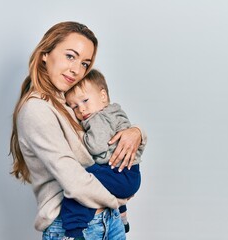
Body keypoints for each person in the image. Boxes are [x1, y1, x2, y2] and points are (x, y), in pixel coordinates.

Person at [9, 21, 147, 240]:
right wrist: (120, 199)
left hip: (107, 220)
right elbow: (74, 181)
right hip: (74, 227)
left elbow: (105, 128)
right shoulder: (37, 109)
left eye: (85, 63)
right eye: (70, 56)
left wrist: (136, 132)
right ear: (45, 53)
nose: (76, 70)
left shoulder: (68, 100)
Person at [62, 69, 145, 239]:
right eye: (74, 106)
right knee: (104, 182)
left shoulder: (96, 118)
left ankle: (73, 232)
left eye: (85, 100)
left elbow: (96, 147)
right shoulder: (116, 111)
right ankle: (122, 217)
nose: (81, 110)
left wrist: (82, 138)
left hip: (120, 174)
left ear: (103, 96)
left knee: (79, 185)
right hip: (131, 174)